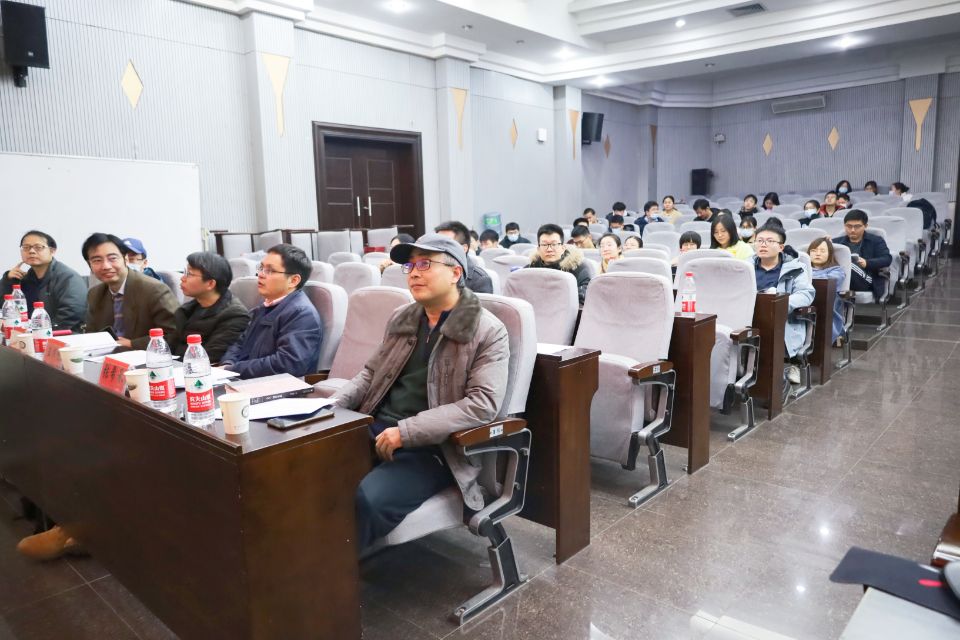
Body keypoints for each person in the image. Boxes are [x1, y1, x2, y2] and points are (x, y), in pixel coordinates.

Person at [330, 233, 510, 550]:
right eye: (410, 266)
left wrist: (406, 432)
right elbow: (370, 373)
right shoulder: (403, 317)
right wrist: (331, 408)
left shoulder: (487, 330)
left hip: (434, 448)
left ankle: (336, 571)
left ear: (455, 273)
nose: (413, 273)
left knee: (370, 500)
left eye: (425, 264)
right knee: (312, 471)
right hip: (376, 427)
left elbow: (482, 404)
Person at [220, 244, 322, 379]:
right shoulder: (263, 307)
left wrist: (233, 369)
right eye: (261, 268)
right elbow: (239, 344)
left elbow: (288, 364)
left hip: (279, 387)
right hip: (246, 379)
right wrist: (227, 364)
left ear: (293, 280)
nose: (260, 274)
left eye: (270, 271)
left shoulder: (302, 314)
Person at [82, 232, 178, 349]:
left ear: (126, 259)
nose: (106, 266)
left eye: (112, 258)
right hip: (106, 356)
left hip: (146, 356)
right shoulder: (95, 294)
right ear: (90, 265)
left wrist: (132, 344)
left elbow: (174, 334)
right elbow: (92, 334)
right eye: (97, 260)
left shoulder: (154, 290)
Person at [753, 224, 815, 385]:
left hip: (782, 319)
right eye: (759, 240)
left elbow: (806, 293)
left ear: (781, 247)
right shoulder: (745, 266)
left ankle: (789, 366)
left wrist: (780, 303)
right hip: (750, 315)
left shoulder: (796, 268)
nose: (763, 244)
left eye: (769, 241)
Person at [171, 252, 250, 363]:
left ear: (210, 284)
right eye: (185, 272)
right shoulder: (188, 309)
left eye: (189, 274)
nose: (183, 278)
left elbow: (209, 358)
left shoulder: (235, 315)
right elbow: (171, 345)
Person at [1, 230, 86, 331]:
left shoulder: (68, 278)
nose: (31, 251)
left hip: (65, 335)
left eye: (38, 247)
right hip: (32, 334)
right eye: (26, 247)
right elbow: (7, 309)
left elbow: (70, 315)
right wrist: (8, 281)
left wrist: (40, 332)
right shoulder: (26, 278)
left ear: (52, 251)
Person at [832, 210, 891, 302]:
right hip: (844, 279)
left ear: (865, 226)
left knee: (849, 265)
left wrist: (867, 263)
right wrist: (825, 244)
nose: (852, 230)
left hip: (868, 280)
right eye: (849, 226)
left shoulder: (876, 241)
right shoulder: (836, 242)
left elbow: (887, 259)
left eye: (857, 226)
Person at [526, 223, 591, 304]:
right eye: (544, 245)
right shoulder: (530, 269)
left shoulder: (578, 268)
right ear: (538, 249)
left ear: (563, 248)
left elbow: (582, 300)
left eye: (554, 244)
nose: (549, 249)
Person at [435, 221, 493, 293]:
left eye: (447, 244)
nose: (439, 249)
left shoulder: (480, 280)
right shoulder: (432, 271)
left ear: (464, 248)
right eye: (437, 244)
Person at [807, 237, 846, 344]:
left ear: (830, 254)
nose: (818, 254)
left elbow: (825, 282)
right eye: (814, 250)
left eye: (822, 251)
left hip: (825, 309)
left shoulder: (837, 271)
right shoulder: (801, 269)